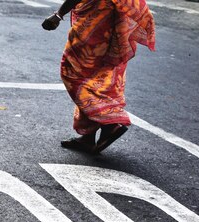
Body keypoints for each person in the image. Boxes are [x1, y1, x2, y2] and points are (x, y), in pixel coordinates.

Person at [42, 0, 155, 154]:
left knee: (73, 71)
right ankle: (88, 137)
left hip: (97, 18)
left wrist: (59, 14)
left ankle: (110, 123)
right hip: (111, 17)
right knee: (99, 75)